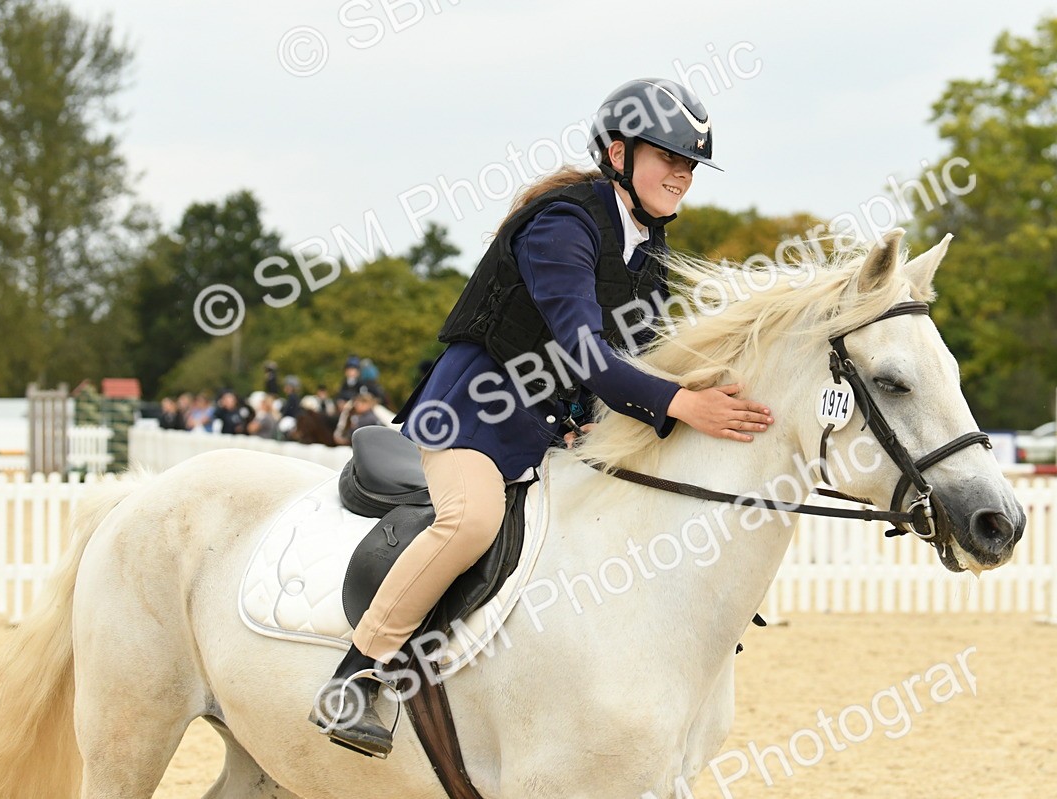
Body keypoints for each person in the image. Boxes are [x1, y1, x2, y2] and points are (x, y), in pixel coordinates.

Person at [310, 78, 773, 756]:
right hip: (468, 420)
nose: (681, 173)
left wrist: (710, 387)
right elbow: (585, 348)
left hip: (543, 434)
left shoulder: (648, 253)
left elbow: (640, 359)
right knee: (471, 521)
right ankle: (355, 676)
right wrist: (681, 403)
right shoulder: (563, 225)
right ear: (618, 153)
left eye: (689, 164)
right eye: (667, 156)